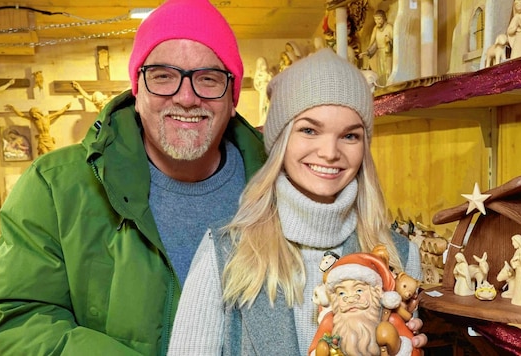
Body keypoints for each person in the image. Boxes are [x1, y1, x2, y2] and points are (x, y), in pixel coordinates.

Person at [0, 0, 266, 354]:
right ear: (137, 90)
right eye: (163, 76)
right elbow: (16, 315)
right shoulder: (56, 187)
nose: (186, 97)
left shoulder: (274, 184)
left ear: (232, 97)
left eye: (208, 78)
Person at [168, 48, 425, 355]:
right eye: (308, 130)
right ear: (280, 140)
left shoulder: (399, 255)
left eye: (350, 136)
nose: (330, 151)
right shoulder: (224, 252)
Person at [5, 103, 72, 155]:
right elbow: (22, 115)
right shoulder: (35, 121)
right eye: (32, 115)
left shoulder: (47, 118)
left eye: (34, 114)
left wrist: (66, 107)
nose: (34, 116)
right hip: (41, 140)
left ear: (38, 112)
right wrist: (13, 109)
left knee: (53, 154)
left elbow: (58, 113)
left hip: (48, 139)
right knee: (45, 156)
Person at [360, 9, 394, 86]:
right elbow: (375, 44)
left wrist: (389, 41)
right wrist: (367, 52)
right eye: (375, 19)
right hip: (380, 55)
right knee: (381, 73)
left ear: (384, 18)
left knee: (388, 72)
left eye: (379, 19)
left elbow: (396, 43)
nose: (377, 21)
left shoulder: (389, 28)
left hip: (389, 55)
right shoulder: (375, 29)